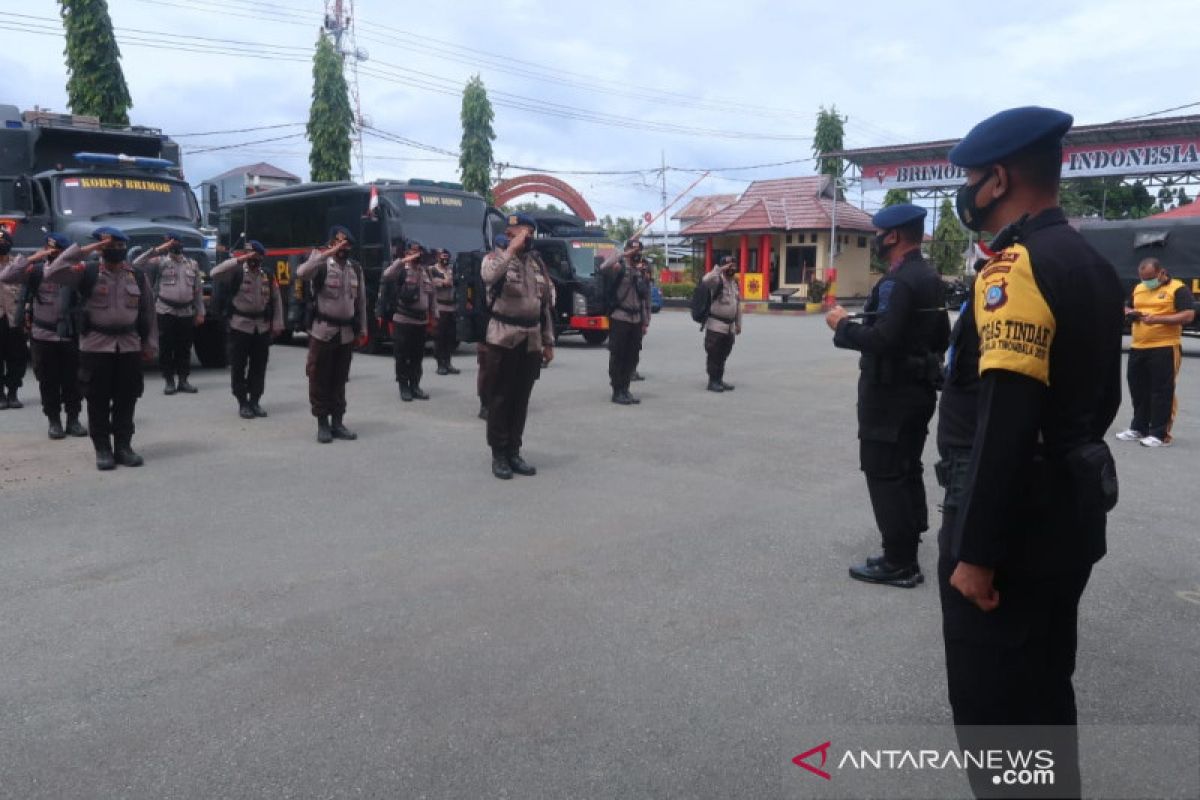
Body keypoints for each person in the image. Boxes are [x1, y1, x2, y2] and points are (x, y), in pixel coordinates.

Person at [937, 106, 1124, 798]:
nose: (965, 193)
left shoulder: (1015, 268)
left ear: (997, 180)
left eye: (969, 179)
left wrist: (976, 555)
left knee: (995, 715)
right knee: (1044, 692)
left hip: (1009, 528)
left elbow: (1006, 422)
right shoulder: (1090, 261)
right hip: (1067, 515)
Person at [825, 204, 949, 588]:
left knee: (884, 472)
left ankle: (900, 562)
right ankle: (907, 541)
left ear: (893, 235)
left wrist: (843, 326)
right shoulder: (929, 276)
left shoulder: (898, 282)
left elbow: (883, 340)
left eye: (878, 233)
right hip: (917, 391)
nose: (876, 239)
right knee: (906, 466)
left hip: (890, 395)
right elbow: (942, 335)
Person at [44, 227, 157, 470]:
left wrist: (149, 343)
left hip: (128, 345)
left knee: (127, 398)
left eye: (119, 246)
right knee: (97, 399)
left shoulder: (136, 275)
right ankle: (103, 449)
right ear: (101, 248)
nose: (116, 250)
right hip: (96, 346)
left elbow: (148, 311)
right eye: (110, 246)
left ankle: (124, 447)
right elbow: (53, 272)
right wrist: (86, 249)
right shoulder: (87, 271)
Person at [480, 213, 555, 479]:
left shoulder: (536, 264)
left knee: (521, 400)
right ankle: (499, 454)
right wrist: (510, 250)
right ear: (510, 233)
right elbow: (489, 277)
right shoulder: (494, 258)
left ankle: (514, 451)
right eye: (523, 232)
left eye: (531, 233)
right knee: (500, 398)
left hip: (531, 340)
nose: (528, 237)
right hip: (503, 337)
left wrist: (548, 340)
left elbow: (543, 305)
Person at [0, 233, 87, 438]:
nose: (53, 254)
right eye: (50, 250)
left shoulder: (76, 272)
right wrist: (32, 258)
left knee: (73, 381)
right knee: (48, 382)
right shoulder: (36, 271)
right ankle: (54, 421)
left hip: (69, 335)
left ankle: (73, 419)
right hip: (42, 335)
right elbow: (6, 276)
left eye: (57, 251)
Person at [296, 225, 368, 443]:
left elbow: (361, 302)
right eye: (338, 243)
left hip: (345, 332)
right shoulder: (321, 265)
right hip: (322, 331)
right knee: (319, 378)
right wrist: (325, 253)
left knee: (339, 378)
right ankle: (322, 424)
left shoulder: (355, 269)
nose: (342, 248)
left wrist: (363, 328)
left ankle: (338, 422)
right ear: (331, 243)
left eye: (346, 245)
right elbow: (301, 273)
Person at [1114, 256, 1195, 447]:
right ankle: (1138, 428)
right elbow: (1128, 306)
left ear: (1161, 273)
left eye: (1150, 277)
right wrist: (1129, 312)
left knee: (1161, 391)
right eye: (1143, 278)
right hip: (1139, 346)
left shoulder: (1177, 288)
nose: (1146, 281)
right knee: (1138, 389)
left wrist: (1158, 319)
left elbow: (1189, 315)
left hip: (1165, 346)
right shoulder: (1139, 288)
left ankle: (1160, 434)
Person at [211, 240, 284, 419]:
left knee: (259, 366)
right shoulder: (236, 272)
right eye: (249, 255)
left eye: (256, 256)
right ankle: (242, 402)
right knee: (238, 366)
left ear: (261, 257)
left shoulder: (267, 274)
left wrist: (278, 323)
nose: (253, 259)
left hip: (262, 327)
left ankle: (255, 401)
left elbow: (276, 299)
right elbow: (214, 273)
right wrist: (239, 259)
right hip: (240, 325)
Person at [133, 233, 204, 395]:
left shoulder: (192, 264)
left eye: (176, 242)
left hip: (186, 311)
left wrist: (200, 311)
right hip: (165, 310)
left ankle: (183, 380)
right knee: (166, 347)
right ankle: (169, 381)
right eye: (170, 242)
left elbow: (198, 291)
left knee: (184, 347)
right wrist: (158, 250)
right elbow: (137, 264)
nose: (174, 245)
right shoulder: (159, 262)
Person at [599, 238, 652, 405]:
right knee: (618, 355)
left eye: (639, 250)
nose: (637, 253)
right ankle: (617, 390)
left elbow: (646, 297)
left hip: (636, 318)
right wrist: (623, 254)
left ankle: (626, 389)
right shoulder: (618, 266)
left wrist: (645, 320)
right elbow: (603, 267)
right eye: (633, 250)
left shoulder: (642, 269)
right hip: (620, 317)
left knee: (632, 355)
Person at [382, 241, 436, 402]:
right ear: (406, 253)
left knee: (417, 356)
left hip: (420, 321)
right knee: (402, 355)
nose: (416, 254)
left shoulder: (425, 271)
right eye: (412, 251)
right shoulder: (400, 269)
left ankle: (415, 385)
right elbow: (386, 275)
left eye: (418, 251)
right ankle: (403, 386)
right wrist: (403, 261)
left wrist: (435, 314)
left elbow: (431, 295)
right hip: (403, 320)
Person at [701, 255, 742, 392]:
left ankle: (719, 379)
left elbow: (738, 305)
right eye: (728, 266)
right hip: (716, 325)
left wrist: (738, 323)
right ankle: (712, 381)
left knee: (724, 354)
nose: (731, 268)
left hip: (729, 327)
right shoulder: (717, 280)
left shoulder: (735, 283)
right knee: (714, 354)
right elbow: (705, 279)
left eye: (733, 266)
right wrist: (719, 269)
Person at [0, 228, 29, 410]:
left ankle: (13, 392)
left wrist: (26, 313)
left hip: (14, 317)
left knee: (17, 357)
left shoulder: (19, 266)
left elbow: (27, 291)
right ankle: (0, 395)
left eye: (4, 242)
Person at [431, 248, 461, 376]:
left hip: (452, 308)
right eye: (443, 256)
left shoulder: (451, 270)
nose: (445, 259)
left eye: (447, 256)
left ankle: (448, 362)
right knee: (440, 337)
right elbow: (430, 282)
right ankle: (440, 364)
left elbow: (456, 282)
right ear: (438, 257)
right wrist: (443, 282)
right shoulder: (432, 270)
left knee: (450, 337)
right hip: (440, 307)